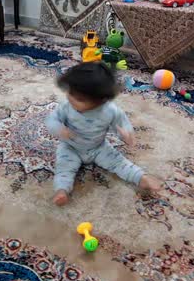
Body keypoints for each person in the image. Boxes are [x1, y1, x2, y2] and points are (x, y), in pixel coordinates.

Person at [45, 62, 163, 206]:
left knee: (118, 162)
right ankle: (62, 191)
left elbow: (123, 125)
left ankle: (141, 178)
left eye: (79, 99)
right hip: (70, 147)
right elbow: (51, 119)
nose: (71, 99)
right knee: (64, 167)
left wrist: (126, 134)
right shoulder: (66, 107)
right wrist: (59, 129)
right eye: (70, 93)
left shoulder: (110, 111)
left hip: (98, 147)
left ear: (100, 100)